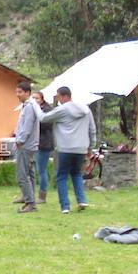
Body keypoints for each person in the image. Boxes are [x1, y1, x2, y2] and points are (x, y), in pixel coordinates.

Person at [39, 86, 97, 214]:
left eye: (58, 96)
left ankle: (65, 206)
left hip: (65, 148)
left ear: (64, 96)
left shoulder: (62, 109)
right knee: (76, 174)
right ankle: (81, 200)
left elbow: (43, 118)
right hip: (81, 148)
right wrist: (90, 147)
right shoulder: (86, 110)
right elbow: (92, 130)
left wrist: (34, 105)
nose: (58, 99)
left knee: (61, 176)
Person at [12, 80, 40, 213]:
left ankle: (30, 203)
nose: (17, 95)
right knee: (30, 173)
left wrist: (20, 141)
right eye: (16, 92)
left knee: (22, 175)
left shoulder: (29, 106)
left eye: (20, 92)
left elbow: (27, 126)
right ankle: (29, 198)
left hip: (26, 145)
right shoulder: (27, 105)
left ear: (27, 93)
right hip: (29, 144)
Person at [32, 91, 54, 204]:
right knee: (36, 169)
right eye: (33, 98)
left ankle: (42, 195)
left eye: (37, 98)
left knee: (41, 170)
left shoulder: (47, 110)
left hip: (44, 143)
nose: (34, 100)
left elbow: (47, 124)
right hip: (35, 143)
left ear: (42, 99)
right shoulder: (32, 109)